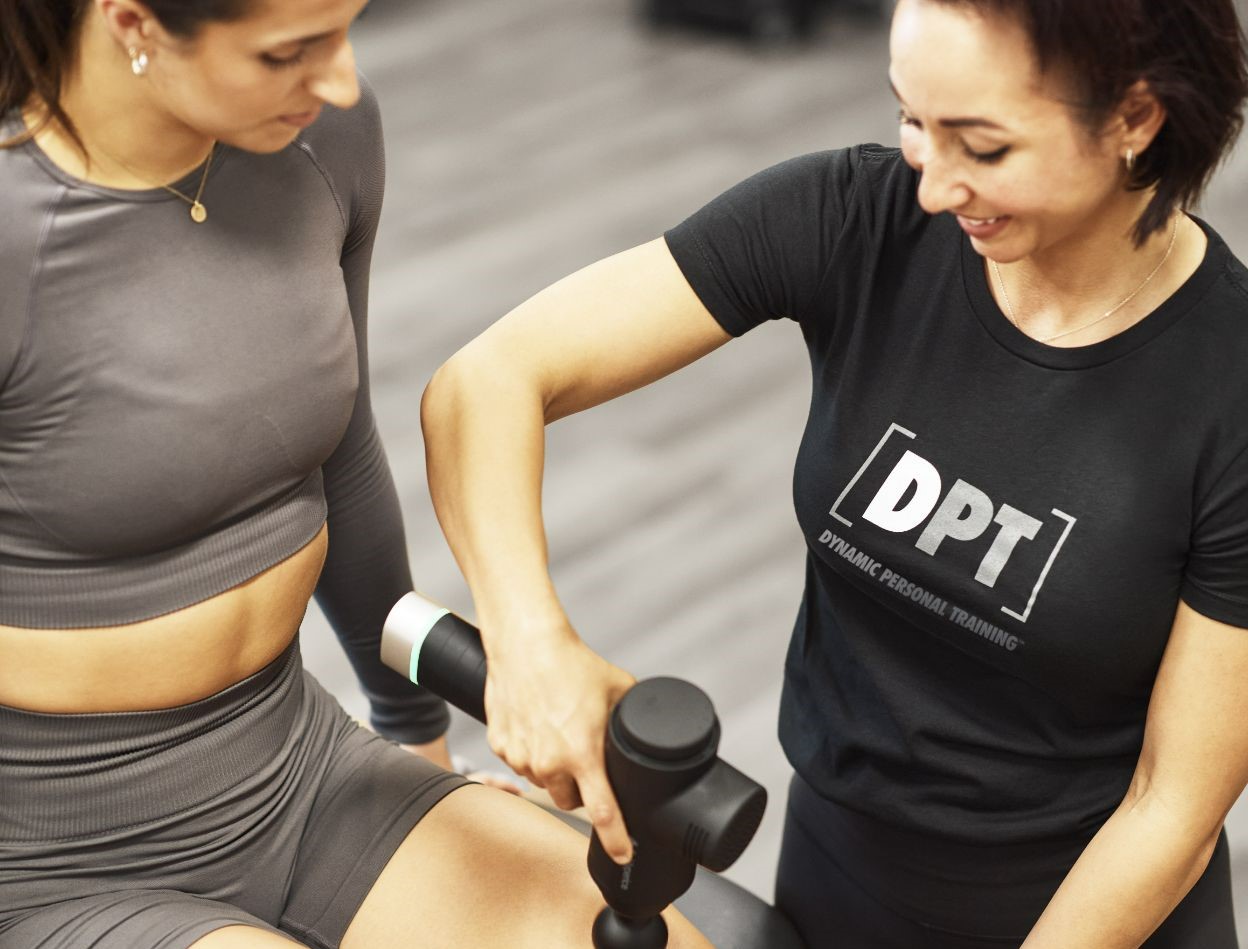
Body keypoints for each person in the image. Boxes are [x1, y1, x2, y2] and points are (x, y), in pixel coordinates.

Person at [420, 0, 1248, 945]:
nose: (933, 187)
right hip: (837, 866)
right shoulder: (859, 217)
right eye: (911, 120)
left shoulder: (1228, 388)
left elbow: (1170, 809)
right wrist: (530, 645)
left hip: (1097, 912)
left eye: (982, 147)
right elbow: (483, 384)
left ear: (1135, 117)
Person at [0, 2, 712, 947]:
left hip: (297, 769)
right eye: (288, 53)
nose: (340, 80)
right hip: (49, 853)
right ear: (133, 21)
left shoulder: (324, 137)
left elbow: (340, 450)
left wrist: (416, 733)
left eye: (344, 31)